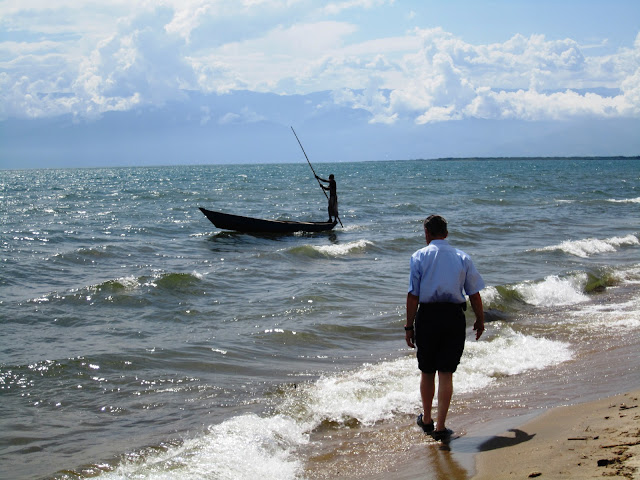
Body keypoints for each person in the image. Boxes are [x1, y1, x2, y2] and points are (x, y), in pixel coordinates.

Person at [405, 215, 485, 441]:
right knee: (446, 372)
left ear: (427, 233)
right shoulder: (462, 257)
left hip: (428, 316)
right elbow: (474, 294)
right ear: (446, 233)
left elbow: (413, 295)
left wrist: (408, 326)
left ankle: (427, 419)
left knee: (427, 370)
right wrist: (480, 320)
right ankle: (440, 426)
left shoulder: (419, 256)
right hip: (453, 316)